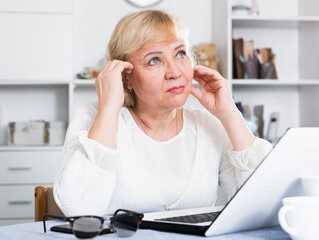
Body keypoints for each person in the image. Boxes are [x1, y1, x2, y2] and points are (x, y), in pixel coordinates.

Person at [54, 10, 272, 216]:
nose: (175, 72)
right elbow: (79, 209)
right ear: (126, 77)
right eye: (155, 60)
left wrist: (229, 113)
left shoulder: (209, 125)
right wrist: (109, 108)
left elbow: (262, 203)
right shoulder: (95, 117)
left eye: (180, 53)